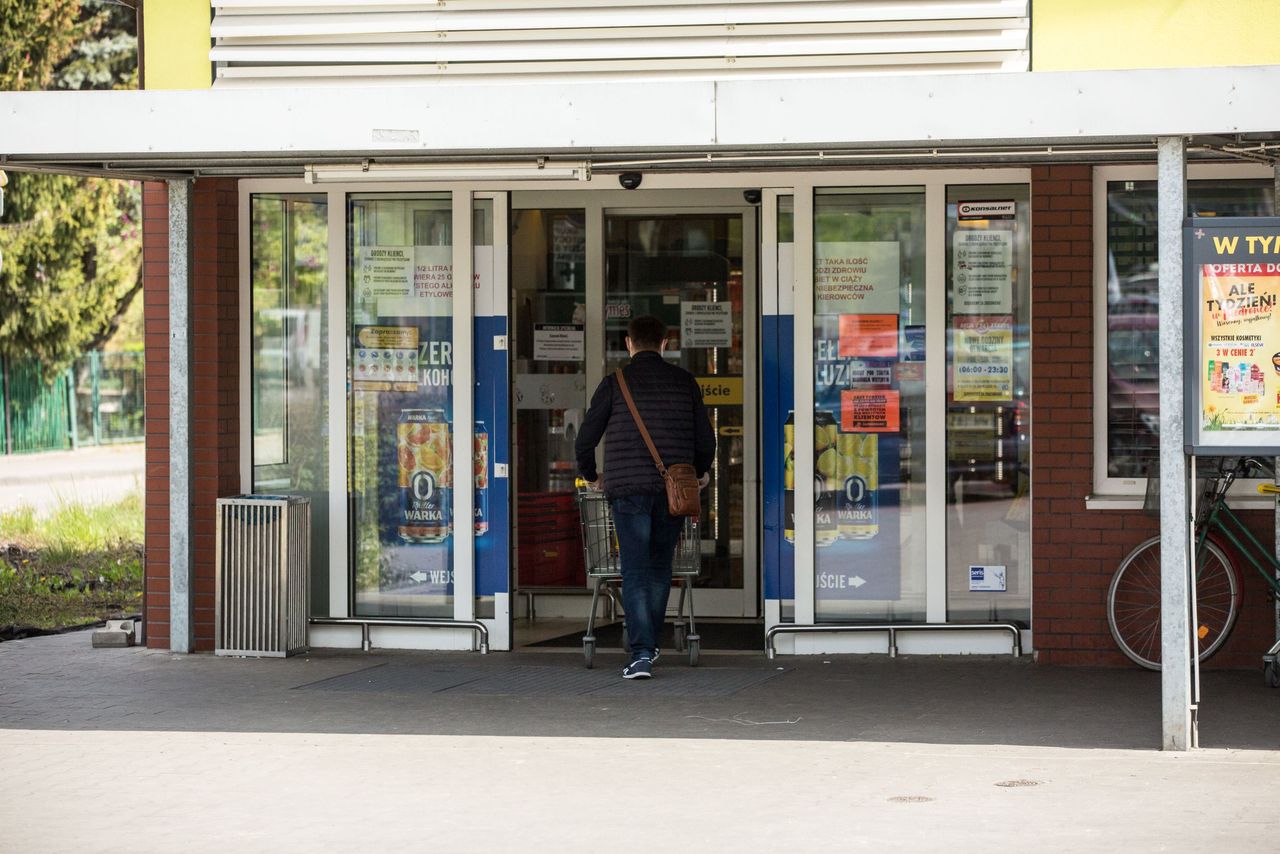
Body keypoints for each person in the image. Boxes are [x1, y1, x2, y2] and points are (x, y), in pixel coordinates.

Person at [575, 315, 715, 679]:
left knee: (635, 569)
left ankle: (641, 653)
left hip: (628, 491)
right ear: (666, 343)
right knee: (659, 568)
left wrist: (591, 476)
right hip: (673, 492)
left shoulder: (614, 383)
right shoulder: (685, 382)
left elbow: (585, 439)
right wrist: (700, 473)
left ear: (628, 343)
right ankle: (648, 646)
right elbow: (706, 439)